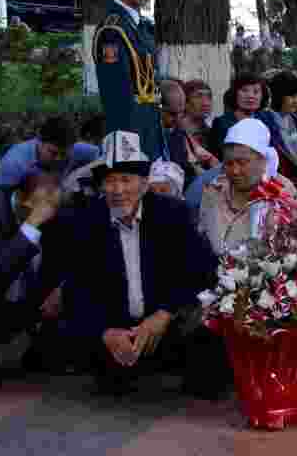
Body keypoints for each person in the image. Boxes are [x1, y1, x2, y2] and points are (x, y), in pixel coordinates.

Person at [65, 131, 226, 398]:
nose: (117, 190)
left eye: (126, 180)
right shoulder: (86, 221)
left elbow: (202, 270)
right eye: (110, 181)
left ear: (143, 183)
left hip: (167, 322)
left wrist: (165, 313)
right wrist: (106, 331)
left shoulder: (172, 213)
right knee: (106, 376)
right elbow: (78, 287)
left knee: (204, 335)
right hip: (119, 328)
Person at [93, 0, 168, 162]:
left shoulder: (141, 26)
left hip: (149, 128)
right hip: (129, 134)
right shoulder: (113, 29)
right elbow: (117, 96)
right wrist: (129, 145)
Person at [0, 171, 66, 382]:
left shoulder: (55, 213)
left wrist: (62, 289)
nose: (50, 212)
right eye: (46, 205)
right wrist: (33, 222)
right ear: (22, 199)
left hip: (27, 307)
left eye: (55, 206)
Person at [198, 119, 297, 256]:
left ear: (263, 160)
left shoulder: (280, 191)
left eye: (242, 162)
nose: (235, 171)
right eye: (229, 163)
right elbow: (202, 243)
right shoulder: (215, 192)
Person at [0, 117, 78, 187]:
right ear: (39, 141)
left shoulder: (74, 151)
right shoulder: (13, 164)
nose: (58, 159)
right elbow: (4, 202)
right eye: (53, 153)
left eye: (63, 154)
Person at [208, 73, 268, 157]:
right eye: (244, 90)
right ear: (235, 94)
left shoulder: (266, 121)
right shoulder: (221, 123)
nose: (250, 96)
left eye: (256, 92)